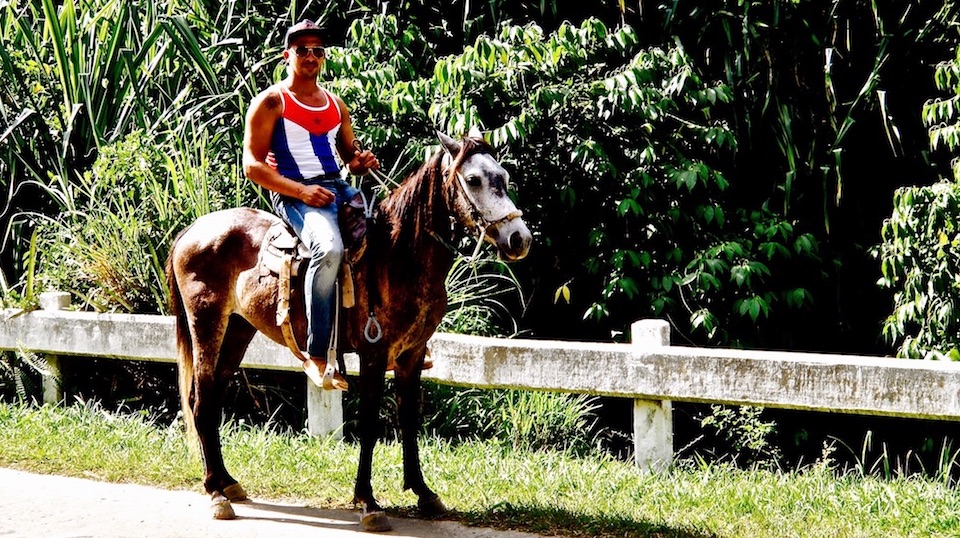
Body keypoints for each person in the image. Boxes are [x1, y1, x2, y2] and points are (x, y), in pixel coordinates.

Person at [242, 19, 379, 391]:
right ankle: (317, 355)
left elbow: (348, 157)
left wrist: (360, 162)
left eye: (318, 50)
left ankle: (390, 333)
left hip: (337, 187)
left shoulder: (336, 105)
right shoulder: (272, 102)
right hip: (294, 193)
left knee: (388, 236)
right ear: (287, 55)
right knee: (329, 248)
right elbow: (252, 166)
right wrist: (302, 193)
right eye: (302, 50)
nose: (311, 56)